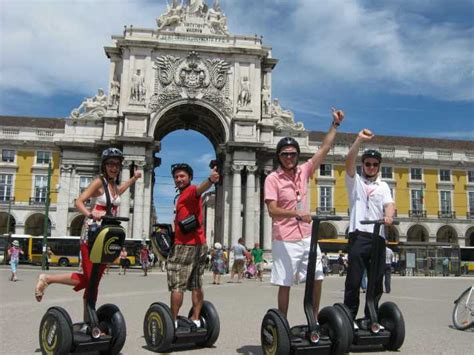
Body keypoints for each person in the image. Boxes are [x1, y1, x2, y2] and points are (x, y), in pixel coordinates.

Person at [34, 148, 141, 320]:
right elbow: (79, 201)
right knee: (89, 280)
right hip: (91, 234)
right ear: (104, 165)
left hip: (106, 236)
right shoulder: (99, 182)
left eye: (117, 164)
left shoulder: (112, 185)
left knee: (94, 282)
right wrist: (91, 214)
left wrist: (134, 179)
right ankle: (47, 278)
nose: (114, 167)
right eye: (110, 164)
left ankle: (89, 321)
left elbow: (119, 192)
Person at [264, 108, 344, 319]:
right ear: (279, 156)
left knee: (318, 277)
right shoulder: (272, 179)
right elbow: (272, 210)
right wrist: (296, 214)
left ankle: (314, 319)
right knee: (285, 283)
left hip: (308, 236)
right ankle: (282, 321)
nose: (289, 157)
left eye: (292, 154)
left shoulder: (304, 170)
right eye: (284, 154)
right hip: (285, 238)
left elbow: (325, 148)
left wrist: (334, 125)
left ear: (297, 155)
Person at [343, 129, 395, 325]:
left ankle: (369, 316)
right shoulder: (355, 181)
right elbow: (349, 160)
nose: (371, 167)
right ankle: (349, 318)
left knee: (376, 282)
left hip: (378, 238)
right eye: (367, 164)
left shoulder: (383, 186)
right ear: (363, 165)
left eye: (374, 164)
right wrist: (358, 140)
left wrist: (388, 216)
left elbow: (389, 205)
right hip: (358, 236)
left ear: (379, 166)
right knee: (354, 281)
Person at [167, 163, 219, 328]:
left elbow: (199, 189)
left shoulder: (189, 191)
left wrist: (210, 180)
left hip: (183, 246)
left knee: (177, 285)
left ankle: (173, 321)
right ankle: (196, 319)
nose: (179, 179)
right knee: (196, 283)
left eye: (182, 176)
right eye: (176, 177)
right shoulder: (182, 194)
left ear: (190, 177)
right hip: (200, 245)